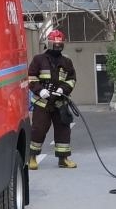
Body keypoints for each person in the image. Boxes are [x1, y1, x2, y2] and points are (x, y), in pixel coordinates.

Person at [27, 29, 78, 169]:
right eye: (55, 44)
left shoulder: (66, 61)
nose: (58, 46)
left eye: (60, 44)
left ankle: (63, 159)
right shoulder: (39, 60)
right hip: (42, 102)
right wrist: (40, 90)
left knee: (63, 129)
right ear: (49, 44)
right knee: (38, 130)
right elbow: (31, 77)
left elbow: (72, 79)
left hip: (60, 102)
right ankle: (32, 157)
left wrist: (63, 89)